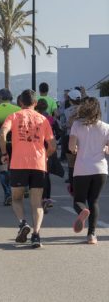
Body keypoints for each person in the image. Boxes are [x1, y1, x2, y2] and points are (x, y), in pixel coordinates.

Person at [0, 89, 56, 248]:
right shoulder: (43, 119)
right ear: (35, 103)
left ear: (20, 103)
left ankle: (23, 223)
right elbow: (52, 144)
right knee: (37, 203)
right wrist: (46, 156)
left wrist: (4, 153)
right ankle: (36, 236)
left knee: (16, 198)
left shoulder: (14, 116)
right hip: (38, 164)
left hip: (18, 163)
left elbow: (2, 134)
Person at [69, 97, 109, 244]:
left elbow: (71, 147)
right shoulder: (106, 127)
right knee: (94, 201)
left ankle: (82, 212)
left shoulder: (77, 125)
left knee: (79, 200)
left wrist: (76, 149)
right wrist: (105, 148)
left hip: (82, 169)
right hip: (100, 170)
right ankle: (91, 235)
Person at [63, 89, 83, 186]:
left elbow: (64, 124)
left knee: (71, 162)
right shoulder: (85, 110)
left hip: (71, 137)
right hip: (84, 138)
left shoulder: (67, 111)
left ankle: (72, 182)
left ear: (70, 100)